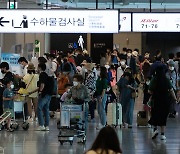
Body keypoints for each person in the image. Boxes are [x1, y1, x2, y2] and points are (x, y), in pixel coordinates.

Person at [148, 66, 178, 140]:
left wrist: (153, 92)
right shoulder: (166, 79)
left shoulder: (154, 79)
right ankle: (162, 134)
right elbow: (171, 90)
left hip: (156, 100)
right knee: (163, 116)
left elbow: (149, 91)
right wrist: (175, 99)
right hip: (165, 100)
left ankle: (155, 130)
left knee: (155, 114)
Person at [29, 63, 52, 131]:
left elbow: (42, 84)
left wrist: (40, 92)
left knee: (39, 108)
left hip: (44, 94)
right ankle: (46, 125)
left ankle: (41, 124)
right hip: (49, 94)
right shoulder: (47, 75)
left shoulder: (42, 75)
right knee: (46, 109)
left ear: (40, 68)